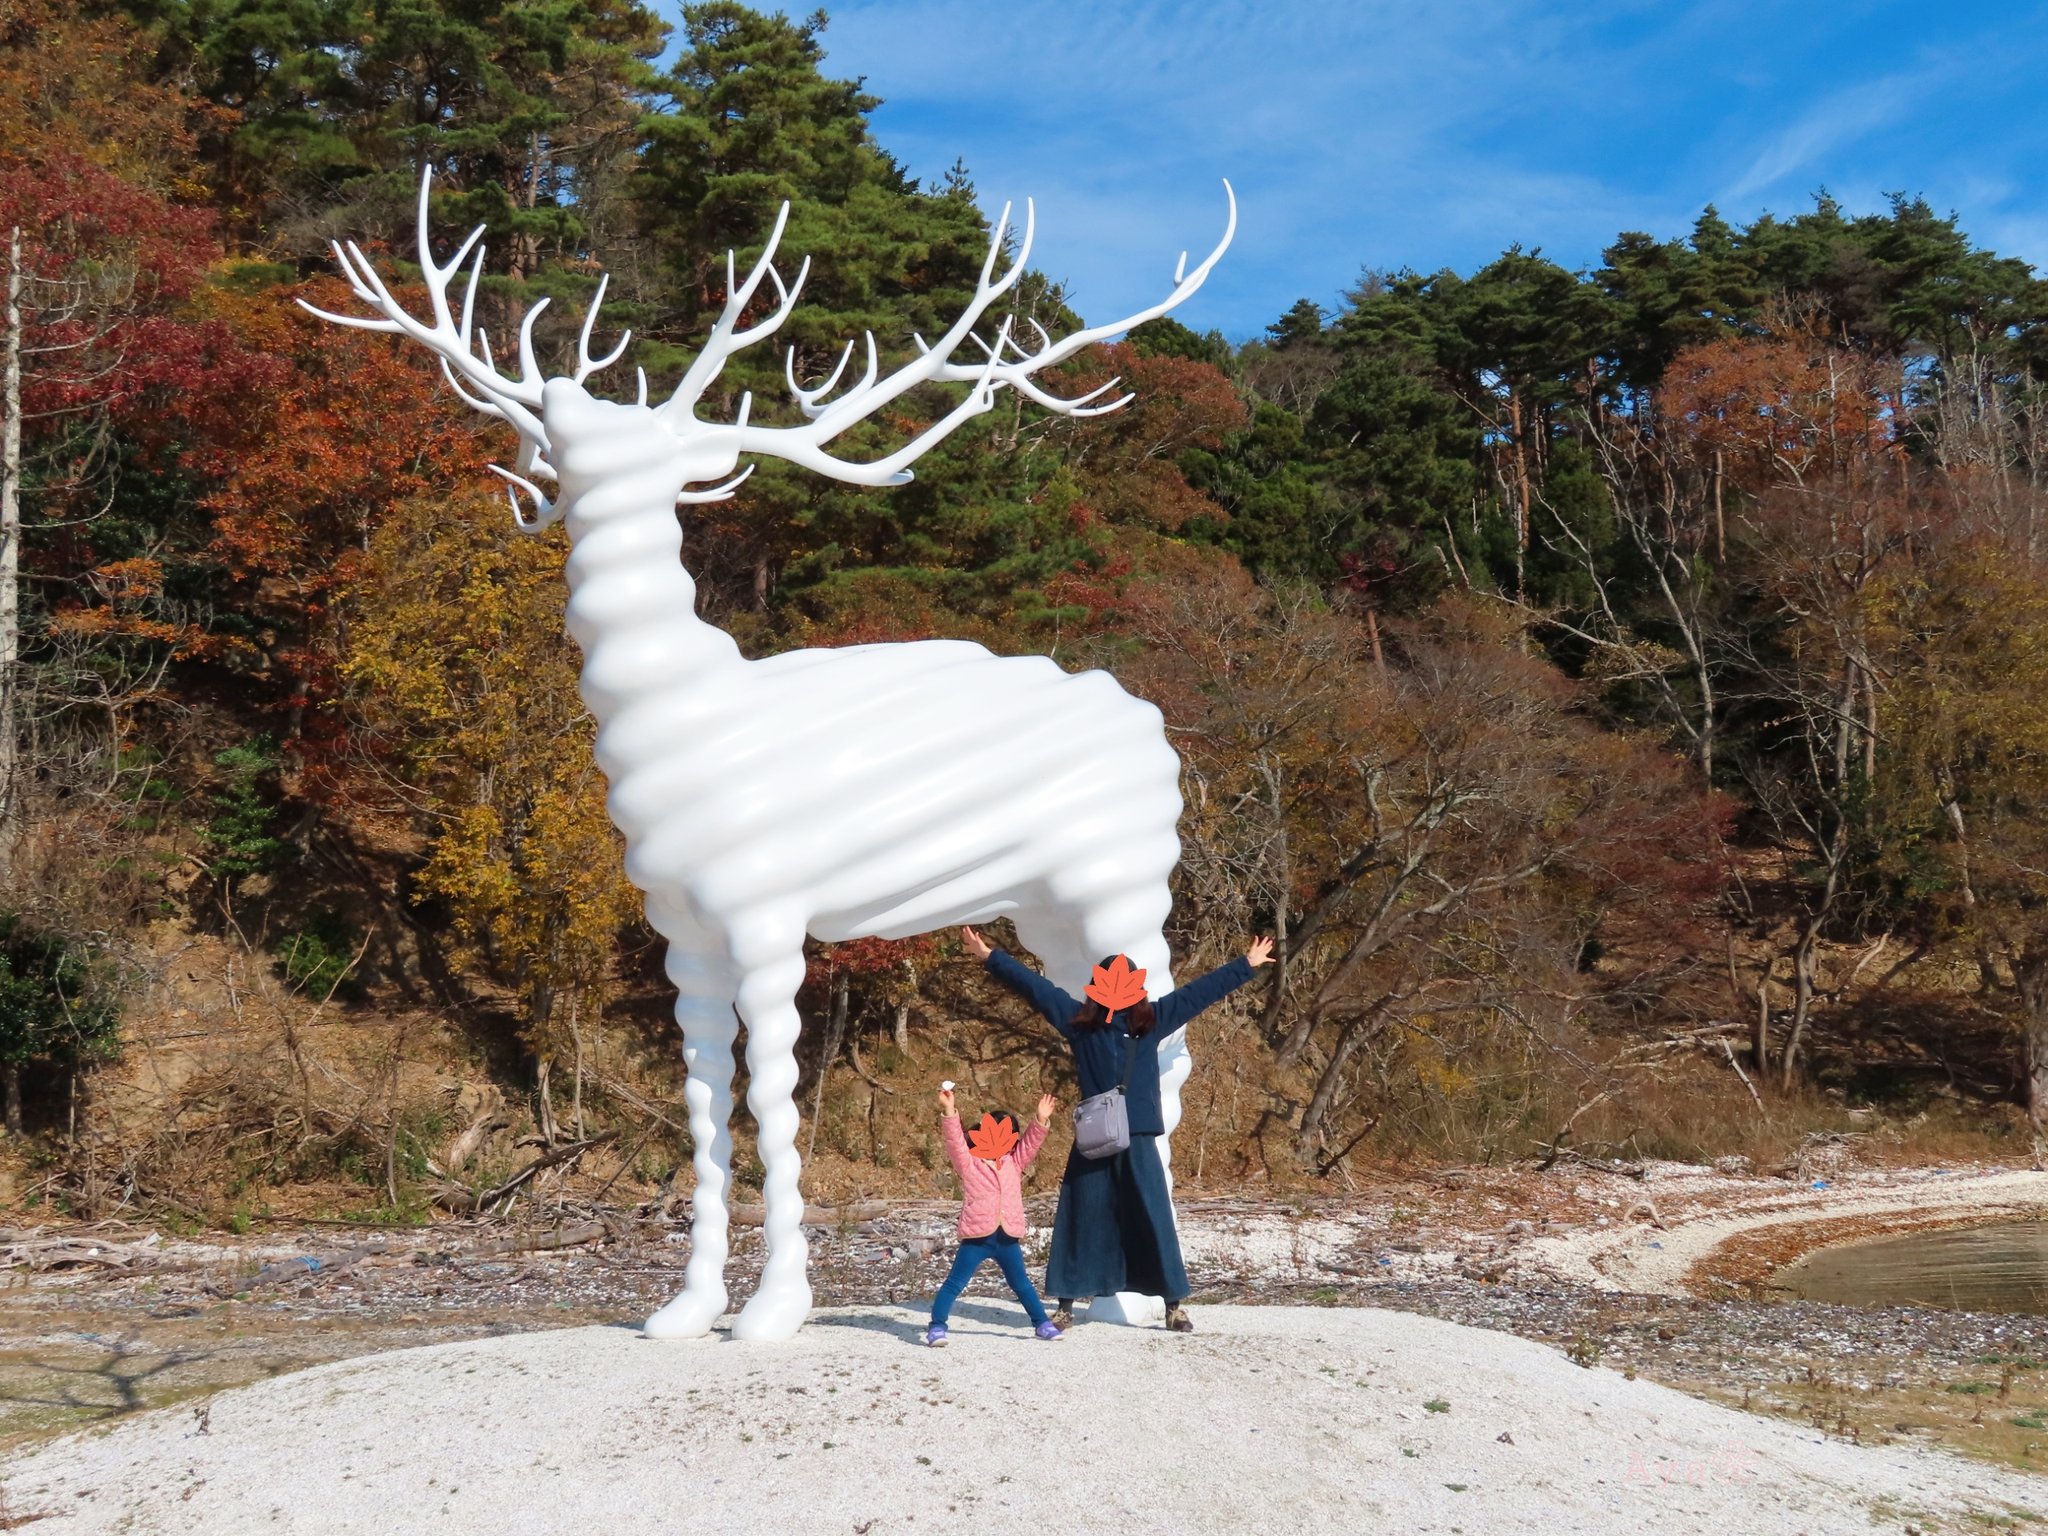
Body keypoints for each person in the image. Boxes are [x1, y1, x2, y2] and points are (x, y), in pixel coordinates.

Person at [963, 926, 1275, 1334]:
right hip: (1095, 1137)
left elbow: (1200, 993)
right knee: (1081, 1215)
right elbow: (1036, 989)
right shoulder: (1079, 1025)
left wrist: (1245, 966)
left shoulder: (1152, 1023)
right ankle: (1066, 1305)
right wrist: (990, 957)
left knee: (1153, 1216)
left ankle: (1173, 1306)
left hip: (1139, 1136)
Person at [925, 1086, 1063, 1347]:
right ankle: (936, 1327)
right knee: (955, 1283)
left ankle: (1041, 1323)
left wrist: (1041, 1119)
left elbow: (1031, 1144)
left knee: (1021, 1284)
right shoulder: (969, 1163)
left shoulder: (1014, 1162)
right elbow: (955, 1142)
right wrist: (949, 1111)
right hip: (978, 1237)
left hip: (1006, 1237)